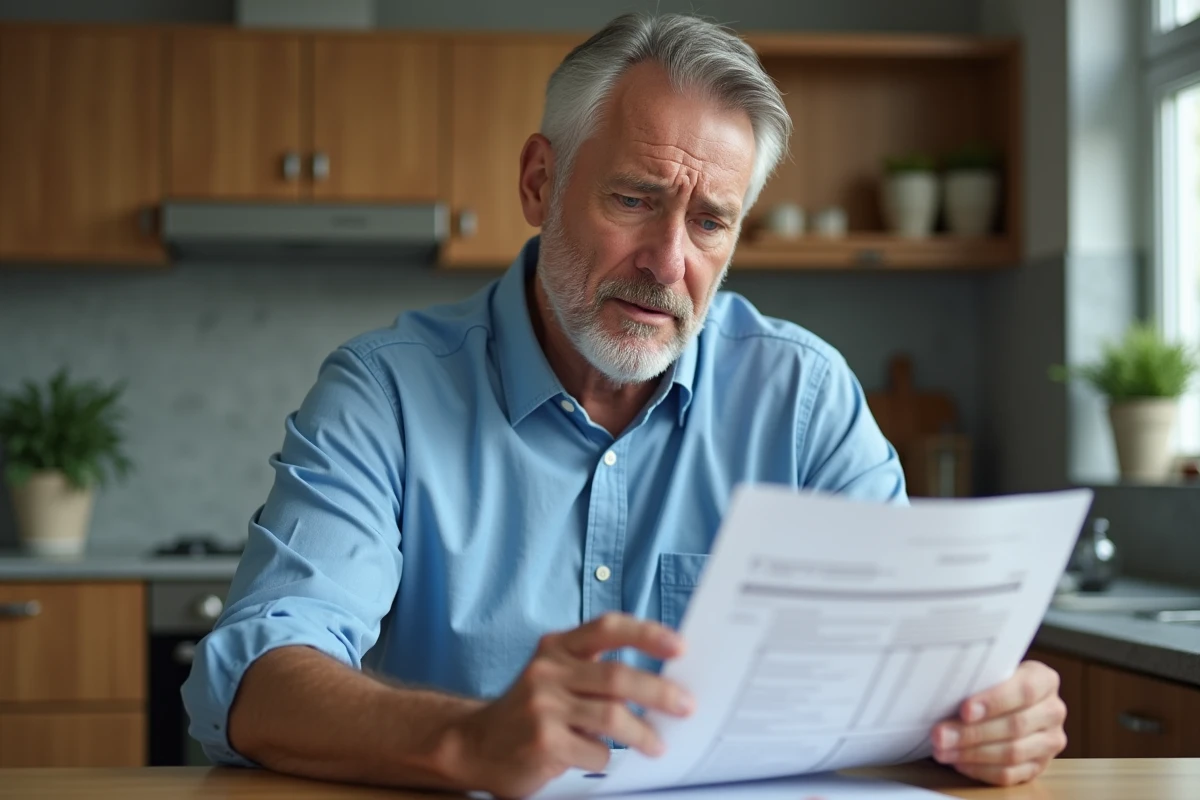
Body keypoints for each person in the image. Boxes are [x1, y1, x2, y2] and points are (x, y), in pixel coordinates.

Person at [182, 12, 1067, 797]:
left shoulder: (806, 398)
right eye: (634, 199)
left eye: (710, 222)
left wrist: (988, 711)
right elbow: (251, 677)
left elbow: (904, 670)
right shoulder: (387, 393)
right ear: (539, 182)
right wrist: (466, 741)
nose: (666, 261)